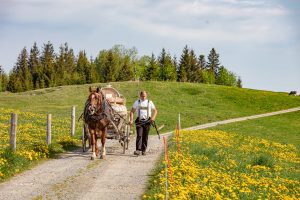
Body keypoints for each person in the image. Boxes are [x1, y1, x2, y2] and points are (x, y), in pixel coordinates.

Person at [129, 91, 157, 156]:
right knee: (139, 135)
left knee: (145, 136)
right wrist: (131, 120)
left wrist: (153, 118)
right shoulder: (137, 102)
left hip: (147, 121)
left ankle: (143, 150)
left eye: (144, 96)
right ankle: (138, 150)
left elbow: (155, 111)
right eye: (142, 96)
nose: (143, 97)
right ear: (140, 96)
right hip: (139, 121)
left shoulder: (150, 102)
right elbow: (132, 112)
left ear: (146, 96)